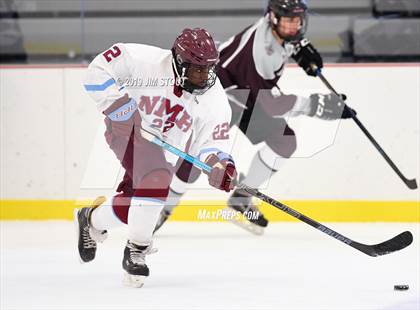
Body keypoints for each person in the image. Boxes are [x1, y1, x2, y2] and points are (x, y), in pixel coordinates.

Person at [154, 0, 356, 235]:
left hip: (247, 92)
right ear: (273, 18)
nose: (294, 25)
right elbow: (271, 104)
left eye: (298, 20)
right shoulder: (259, 52)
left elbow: (272, 77)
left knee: (284, 141)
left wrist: (301, 49)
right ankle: (163, 207)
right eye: (289, 20)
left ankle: (241, 198)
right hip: (219, 95)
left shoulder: (281, 32)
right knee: (196, 160)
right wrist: (318, 105)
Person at [75, 28, 237, 288]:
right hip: (125, 131)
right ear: (179, 62)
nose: (204, 76)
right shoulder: (144, 61)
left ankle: (90, 219)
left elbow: (213, 142)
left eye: (208, 69)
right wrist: (118, 106)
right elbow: (97, 71)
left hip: (166, 150)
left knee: (136, 205)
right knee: (156, 181)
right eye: (197, 69)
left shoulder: (213, 95)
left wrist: (219, 164)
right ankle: (137, 250)